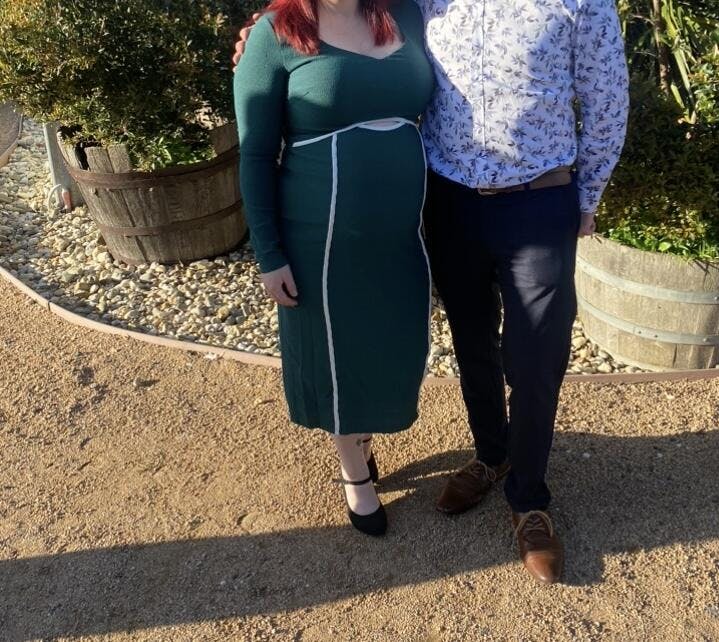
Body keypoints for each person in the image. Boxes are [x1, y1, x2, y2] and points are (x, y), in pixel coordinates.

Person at [236, 0, 629, 582]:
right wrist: (262, 36)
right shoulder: (424, 3)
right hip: (449, 200)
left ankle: (529, 498)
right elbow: (330, 43)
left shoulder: (581, 3)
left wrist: (588, 196)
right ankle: (491, 454)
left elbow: (607, 103)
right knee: (472, 341)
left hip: (538, 198)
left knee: (537, 353)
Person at [233, 0, 435, 537]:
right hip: (319, 236)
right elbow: (255, 154)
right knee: (336, 348)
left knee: (388, 341)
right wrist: (269, 253)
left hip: (400, 234)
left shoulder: (405, 13)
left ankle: (363, 435)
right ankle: (355, 472)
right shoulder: (276, 33)